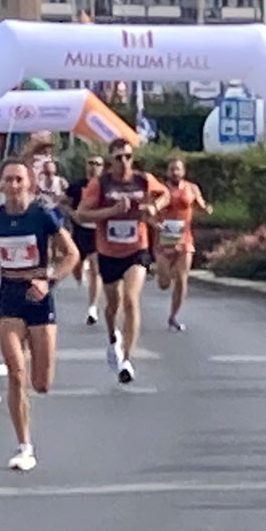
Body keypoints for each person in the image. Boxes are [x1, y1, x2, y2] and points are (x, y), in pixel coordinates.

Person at [0, 158, 78, 472]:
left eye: (19, 180)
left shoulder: (42, 216)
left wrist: (49, 281)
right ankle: (24, 446)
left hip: (39, 299)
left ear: (29, 184)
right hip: (9, 298)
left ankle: (37, 366)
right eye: (8, 180)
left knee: (42, 383)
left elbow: (72, 254)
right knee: (15, 373)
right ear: (0, 184)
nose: (13, 186)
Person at [76, 138, 169, 384]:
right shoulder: (101, 184)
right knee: (112, 306)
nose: (125, 162)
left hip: (136, 249)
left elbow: (165, 194)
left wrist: (154, 206)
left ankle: (127, 360)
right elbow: (82, 214)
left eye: (128, 156)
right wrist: (111, 212)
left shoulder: (143, 179)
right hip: (108, 252)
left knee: (130, 299)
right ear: (111, 160)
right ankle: (112, 337)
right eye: (119, 158)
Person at [155, 157, 211, 331]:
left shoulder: (191, 188)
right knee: (164, 284)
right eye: (172, 169)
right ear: (167, 172)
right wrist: (155, 224)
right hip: (165, 238)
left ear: (183, 171)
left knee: (182, 278)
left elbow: (201, 204)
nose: (175, 172)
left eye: (178, 169)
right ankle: (165, 272)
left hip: (184, 238)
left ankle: (173, 316)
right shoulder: (160, 189)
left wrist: (206, 209)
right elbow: (150, 212)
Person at [63, 155, 105, 326]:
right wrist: (72, 214)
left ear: (102, 167)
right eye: (91, 163)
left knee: (95, 269)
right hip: (80, 231)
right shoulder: (77, 185)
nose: (94, 167)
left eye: (97, 164)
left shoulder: (106, 186)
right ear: (86, 165)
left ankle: (92, 307)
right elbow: (63, 203)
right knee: (76, 266)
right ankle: (79, 275)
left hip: (98, 232)